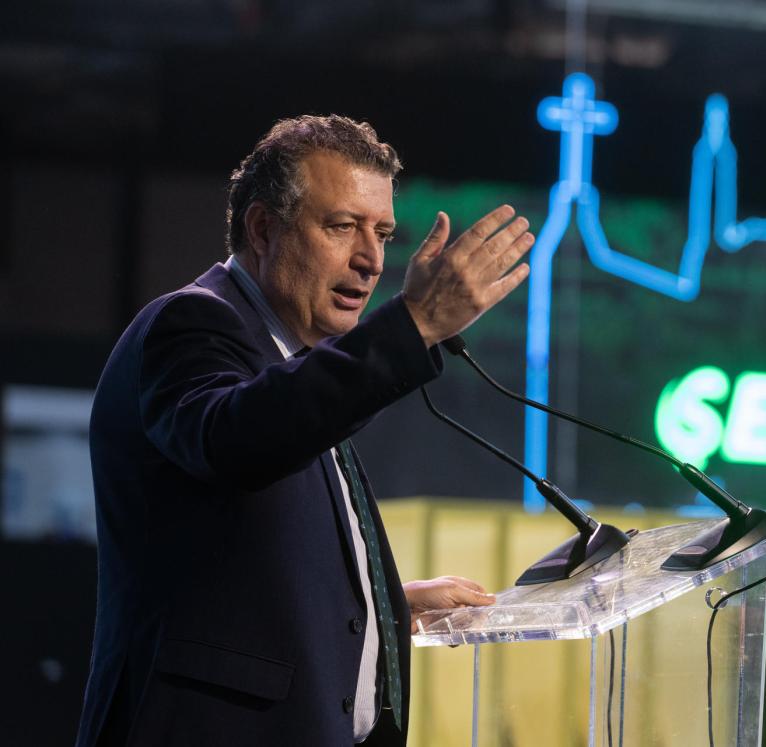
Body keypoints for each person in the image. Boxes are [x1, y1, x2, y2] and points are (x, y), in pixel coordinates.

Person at [75, 114, 534, 746]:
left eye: (382, 233)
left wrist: (378, 606)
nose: (371, 260)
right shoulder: (192, 325)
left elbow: (247, 567)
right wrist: (414, 325)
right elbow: (239, 443)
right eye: (342, 226)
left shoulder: (292, 362)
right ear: (264, 229)